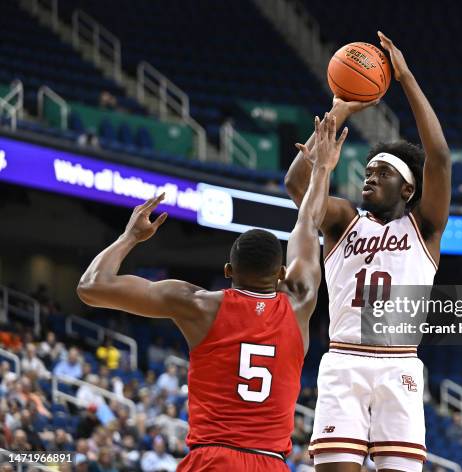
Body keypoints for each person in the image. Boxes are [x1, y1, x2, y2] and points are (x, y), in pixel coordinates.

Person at [77, 115, 349, 471]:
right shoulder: (300, 301)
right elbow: (307, 222)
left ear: (228, 272)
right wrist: (322, 169)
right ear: (282, 274)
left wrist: (129, 236)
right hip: (270, 463)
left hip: (212, 458)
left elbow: (91, 287)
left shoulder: (197, 303)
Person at [285, 31, 450, 472]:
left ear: (408, 188)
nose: (369, 178)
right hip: (344, 359)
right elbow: (297, 188)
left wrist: (407, 78)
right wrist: (339, 111)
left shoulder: (425, 228)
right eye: (367, 171)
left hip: (399, 364)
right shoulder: (342, 222)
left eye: (381, 173)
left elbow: (439, 159)